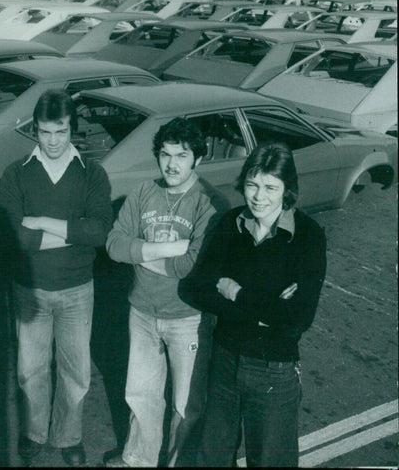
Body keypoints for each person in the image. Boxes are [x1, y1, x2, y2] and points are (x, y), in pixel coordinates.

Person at [179, 142, 327, 467]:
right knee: (211, 459)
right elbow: (193, 288)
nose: (259, 196)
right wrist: (264, 308)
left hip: (273, 368)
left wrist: (234, 292)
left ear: (288, 189)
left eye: (271, 187)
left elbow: (298, 318)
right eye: (252, 184)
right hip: (225, 360)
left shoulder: (308, 237)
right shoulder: (230, 224)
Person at [0, 90, 113, 466]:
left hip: (78, 289)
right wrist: (71, 234)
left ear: (72, 130)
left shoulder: (92, 173)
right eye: (45, 132)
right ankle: (34, 432)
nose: (52, 141)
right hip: (30, 289)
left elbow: (99, 232)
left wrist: (43, 223)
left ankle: (68, 436)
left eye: (60, 132)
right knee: (30, 369)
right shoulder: (15, 172)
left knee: (76, 371)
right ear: (35, 130)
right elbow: (12, 236)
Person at [105, 117, 224, 467]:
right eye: (165, 154)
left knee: (186, 405)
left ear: (198, 159)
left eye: (182, 155)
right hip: (141, 312)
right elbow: (113, 245)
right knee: (141, 395)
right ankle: (138, 459)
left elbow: (192, 266)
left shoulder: (210, 203)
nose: (171, 164)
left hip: (187, 318)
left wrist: (139, 254)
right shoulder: (144, 192)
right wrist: (169, 249)